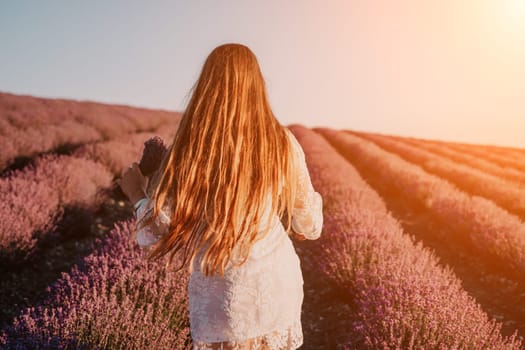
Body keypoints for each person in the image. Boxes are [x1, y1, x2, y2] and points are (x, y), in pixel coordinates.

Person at [117, 43, 323, 350]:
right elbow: (310, 223)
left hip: (225, 295)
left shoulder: (191, 150)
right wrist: (301, 227)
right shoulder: (282, 142)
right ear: (257, 86)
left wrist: (136, 191)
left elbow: (155, 230)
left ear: (206, 87)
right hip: (278, 286)